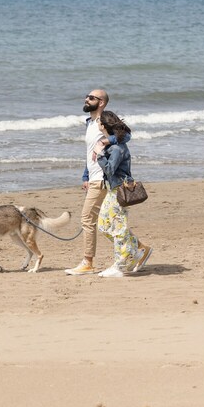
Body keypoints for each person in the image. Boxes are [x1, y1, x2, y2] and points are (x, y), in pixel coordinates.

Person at [94, 111, 152, 278]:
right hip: (112, 190)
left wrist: (99, 154)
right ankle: (136, 251)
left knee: (118, 228)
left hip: (120, 190)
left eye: (99, 121)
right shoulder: (112, 144)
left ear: (104, 126)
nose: (97, 123)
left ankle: (121, 265)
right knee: (104, 226)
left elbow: (110, 169)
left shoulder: (117, 148)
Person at [64, 89, 111, 275]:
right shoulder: (90, 122)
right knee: (109, 222)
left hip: (102, 177)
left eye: (91, 97)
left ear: (101, 102)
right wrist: (85, 176)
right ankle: (138, 249)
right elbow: (90, 151)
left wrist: (106, 142)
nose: (86, 99)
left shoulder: (104, 121)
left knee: (87, 219)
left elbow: (125, 137)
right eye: (86, 96)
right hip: (93, 177)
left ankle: (87, 262)